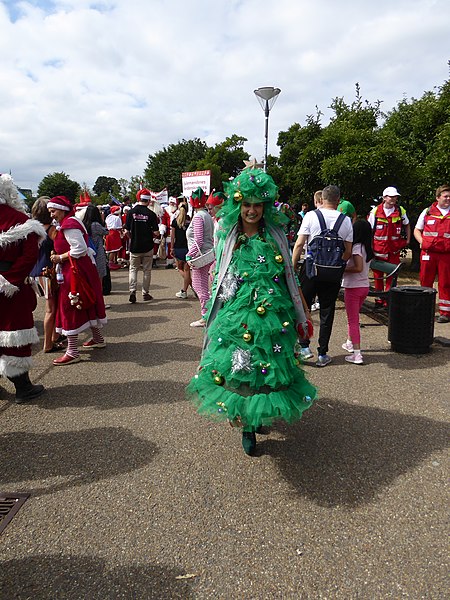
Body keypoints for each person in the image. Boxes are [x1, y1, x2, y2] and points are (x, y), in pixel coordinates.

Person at [186, 168, 316, 456]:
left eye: (258, 205)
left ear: (265, 206)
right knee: (240, 367)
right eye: (247, 204)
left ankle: (257, 415)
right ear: (238, 205)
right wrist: (195, 263)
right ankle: (247, 425)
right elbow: (218, 269)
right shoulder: (227, 233)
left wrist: (301, 310)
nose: (252, 210)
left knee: (267, 367)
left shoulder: (276, 234)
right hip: (237, 313)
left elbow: (288, 275)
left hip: (272, 316)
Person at [292, 185, 353, 366]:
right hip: (332, 273)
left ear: (322, 198)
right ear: (338, 200)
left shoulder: (311, 216)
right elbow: (348, 252)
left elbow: (299, 244)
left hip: (311, 270)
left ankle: (304, 347)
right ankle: (322, 353)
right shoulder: (346, 221)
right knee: (327, 310)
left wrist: (293, 267)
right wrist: (335, 263)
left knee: (305, 308)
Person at [0, 174, 46, 402]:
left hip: (10, 284)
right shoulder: (20, 220)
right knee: (14, 334)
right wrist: (9, 280)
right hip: (12, 289)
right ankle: (23, 387)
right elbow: (29, 256)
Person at [48, 196, 107, 365]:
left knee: (71, 307)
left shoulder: (69, 225)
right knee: (88, 302)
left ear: (63, 209)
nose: (52, 215)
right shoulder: (71, 221)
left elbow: (79, 249)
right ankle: (98, 338)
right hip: (80, 269)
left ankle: (72, 351)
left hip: (75, 272)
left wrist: (59, 257)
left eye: (53, 211)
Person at [30, 196, 63, 353]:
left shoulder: (30, 230)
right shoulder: (51, 230)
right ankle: (48, 343)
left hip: (34, 273)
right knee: (51, 309)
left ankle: (54, 337)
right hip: (47, 273)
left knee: (49, 308)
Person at [368, 186, 411, 308]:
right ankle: (379, 300)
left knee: (392, 276)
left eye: (395, 196)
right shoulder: (375, 212)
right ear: (384, 198)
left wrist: (407, 240)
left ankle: (389, 300)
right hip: (378, 250)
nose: (393, 199)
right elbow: (370, 230)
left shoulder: (400, 211)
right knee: (378, 276)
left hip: (394, 250)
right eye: (391, 196)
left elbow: (407, 224)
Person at [414, 184, 450, 323]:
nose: (448, 199)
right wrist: (421, 242)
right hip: (428, 253)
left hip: (446, 254)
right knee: (425, 281)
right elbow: (417, 230)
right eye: (445, 196)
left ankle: (445, 313)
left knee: (446, 283)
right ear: (438, 197)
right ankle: (424, 309)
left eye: (449, 197)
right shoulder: (428, 211)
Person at [342, 220, 374, 364]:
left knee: (352, 321)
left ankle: (357, 354)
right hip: (364, 287)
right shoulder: (368, 247)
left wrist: (341, 269)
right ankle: (350, 342)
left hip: (354, 287)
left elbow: (358, 267)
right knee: (354, 318)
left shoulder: (356, 247)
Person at [186, 187, 215, 327]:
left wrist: (189, 255)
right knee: (204, 286)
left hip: (200, 257)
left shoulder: (198, 216)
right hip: (207, 254)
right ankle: (209, 313)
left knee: (200, 287)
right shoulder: (207, 215)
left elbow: (198, 240)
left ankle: (205, 315)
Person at [124, 188, 160, 303]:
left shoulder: (131, 212)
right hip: (148, 246)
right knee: (146, 271)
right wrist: (152, 236)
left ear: (138, 198)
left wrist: (131, 237)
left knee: (133, 269)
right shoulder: (151, 214)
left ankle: (132, 291)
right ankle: (145, 293)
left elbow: (126, 231)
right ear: (149, 201)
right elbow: (156, 232)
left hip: (135, 246)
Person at [82, 205, 110, 305]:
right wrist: (103, 220)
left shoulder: (83, 224)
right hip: (98, 253)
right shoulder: (96, 225)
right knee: (99, 280)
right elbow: (106, 232)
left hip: (88, 253)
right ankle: (99, 302)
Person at [171, 199, 192, 299]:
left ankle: (186, 289)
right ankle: (190, 287)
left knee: (180, 268)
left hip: (178, 247)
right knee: (187, 269)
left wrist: (171, 248)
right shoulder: (190, 220)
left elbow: (172, 236)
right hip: (189, 247)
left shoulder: (175, 221)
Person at [105, 205, 123, 270]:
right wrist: (122, 232)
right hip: (114, 233)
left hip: (108, 233)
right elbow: (119, 227)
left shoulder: (108, 217)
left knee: (111, 249)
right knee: (114, 249)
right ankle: (110, 262)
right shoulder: (117, 218)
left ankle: (112, 261)